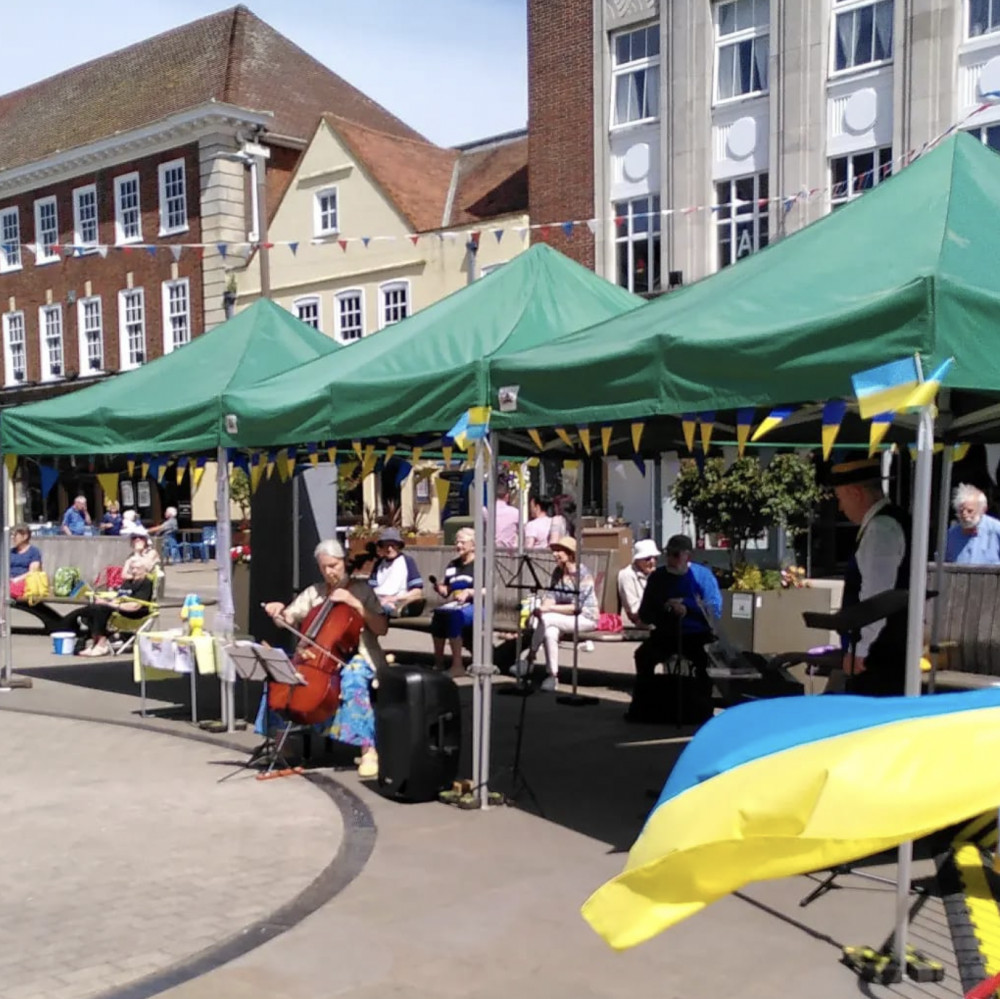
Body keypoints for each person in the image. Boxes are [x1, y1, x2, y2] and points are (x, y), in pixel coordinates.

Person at [264, 539, 389, 777]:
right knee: (278, 672)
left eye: (334, 565)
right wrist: (278, 613)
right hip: (318, 656)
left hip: (359, 655)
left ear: (343, 562)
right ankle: (284, 744)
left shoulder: (362, 590)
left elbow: (382, 628)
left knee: (353, 678)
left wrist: (355, 603)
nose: (330, 571)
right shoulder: (315, 592)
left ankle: (368, 749)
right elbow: (289, 618)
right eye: (324, 567)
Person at [829, 457, 910, 696]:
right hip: (889, 647)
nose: (841, 508)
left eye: (840, 498)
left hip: (880, 653)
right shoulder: (890, 521)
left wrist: (860, 649)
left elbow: (876, 598)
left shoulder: (881, 528)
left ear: (855, 493)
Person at [634, 535, 722, 692]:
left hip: (696, 636)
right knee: (643, 656)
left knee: (704, 662)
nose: (670, 560)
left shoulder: (701, 576)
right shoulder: (658, 577)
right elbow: (645, 612)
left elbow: (714, 609)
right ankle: (645, 702)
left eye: (675, 555)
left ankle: (701, 703)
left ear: (688, 556)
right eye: (668, 554)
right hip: (666, 634)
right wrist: (665, 608)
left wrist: (687, 607)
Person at [516, 536, 598, 691]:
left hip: (586, 618)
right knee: (550, 632)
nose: (555, 554)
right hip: (563, 618)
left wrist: (548, 610)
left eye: (559, 550)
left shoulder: (583, 574)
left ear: (570, 553)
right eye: (554, 551)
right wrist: (541, 608)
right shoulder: (558, 572)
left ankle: (530, 658)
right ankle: (552, 676)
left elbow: (576, 607)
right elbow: (551, 597)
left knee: (547, 619)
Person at [63, 534, 161, 657]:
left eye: (137, 568)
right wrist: (106, 600)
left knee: (99, 609)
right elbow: (119, 595)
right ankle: (95, 643)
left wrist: (110, 604)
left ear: (145, 570)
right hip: (118, 607)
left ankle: (100, 644)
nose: (133, 571)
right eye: (132, 569)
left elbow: (136, 605)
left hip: (134, 613)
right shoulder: (128, 582)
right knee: (94, 606)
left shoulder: (145, 582)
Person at [430, 527, 477, 676]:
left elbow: (487, 590)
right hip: (456, 605)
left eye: (463, 542)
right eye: (457, 542)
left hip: (476, 605)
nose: (459, 546)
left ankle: (457, 666)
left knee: (454, 617)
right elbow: (447, 591)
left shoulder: (480, 564)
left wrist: (469, 592)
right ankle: (438, 663)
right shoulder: (453, 565)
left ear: (473, 544)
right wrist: (440, 588)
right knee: (438, 616)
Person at [368, 527, 424, 616]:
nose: (389, 549)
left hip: (397, 602)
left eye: (392, 545)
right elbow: (370, 590)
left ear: (399, 546)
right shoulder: (378, 564)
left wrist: (394, 599)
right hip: (377, 602)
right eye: (386, 545)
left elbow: (417, 592)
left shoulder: (407, 561)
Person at [945, 483, 1000, 565]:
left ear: (983, 510)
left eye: (969, 511)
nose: (964, 515)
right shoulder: (951, 535)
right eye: (961, 511)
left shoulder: (996, 529)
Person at [618, 539, 660, 628]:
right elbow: (634, 609)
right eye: (647, 559)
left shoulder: (656, 574)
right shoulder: (627, 575)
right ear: (637, 560)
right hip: (644, 619)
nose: (652, 562)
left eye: (655, 558)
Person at [9, 525, 42, 597]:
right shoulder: (10, 552)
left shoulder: (33, 552)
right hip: (9, 582)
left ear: (25, 536)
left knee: (7, 591)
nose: (12, 538)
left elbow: (33, 572)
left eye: (15, 535)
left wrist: (16, 579)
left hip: (25, 582)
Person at [489, 479, 520, 548]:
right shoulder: (515, 512)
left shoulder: (486, 511)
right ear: (507, 496)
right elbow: (522, 533)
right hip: (509, 553)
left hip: (489, 551)